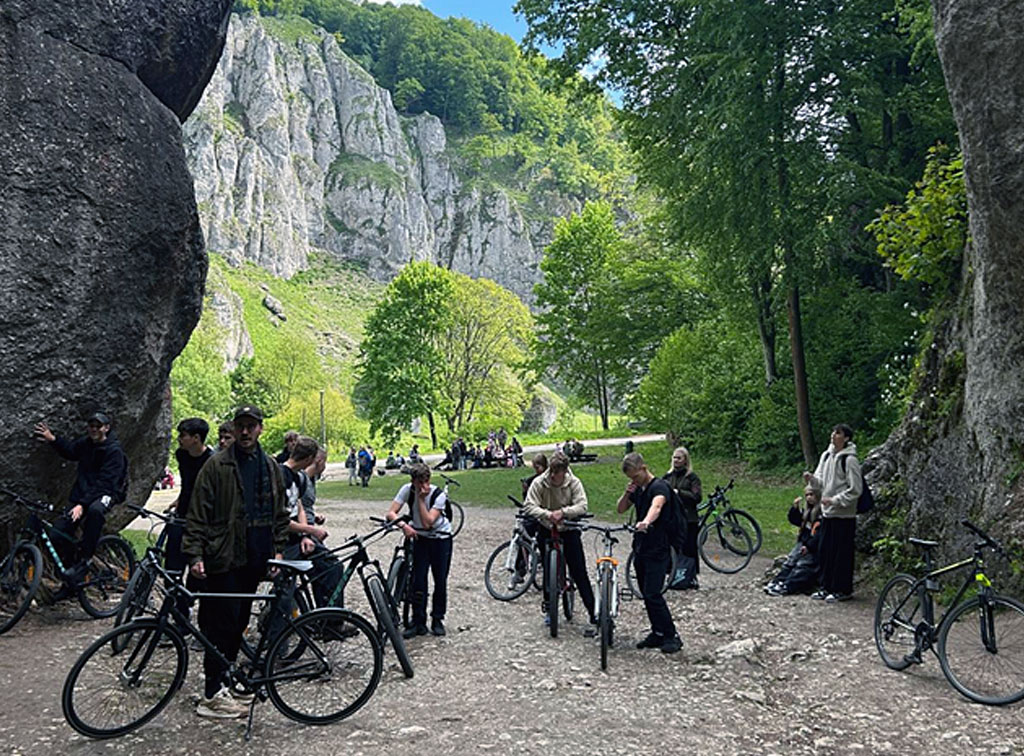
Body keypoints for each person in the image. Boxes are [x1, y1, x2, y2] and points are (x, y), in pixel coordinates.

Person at [183, 404, 290, 719]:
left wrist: (278, 550)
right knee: (219, 625)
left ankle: (226, 682)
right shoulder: (217, 466)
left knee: (239, 623)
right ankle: (213, 693)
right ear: (236, 427)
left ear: (260, 429)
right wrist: (194, 554)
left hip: (255, 558)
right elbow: (197, 513)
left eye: (251, 426)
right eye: (240, 425)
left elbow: (280, 513)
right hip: (224, 558)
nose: (245, 431)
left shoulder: (270, 466)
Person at [33, 411, 128, 591]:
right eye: (91, 426)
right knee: (57, 534)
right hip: (81, 495)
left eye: (98, 426)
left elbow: (105, 483)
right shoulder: (86, 445)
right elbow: (71, 451)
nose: (93, 429)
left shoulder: (114, 452)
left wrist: (82, 505)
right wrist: (53, 439)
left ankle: (86, 558)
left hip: (107, 493)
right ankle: (71, 579)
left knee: (95, 511)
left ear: (106, 428)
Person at [522, 451, 596, 632]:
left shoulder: (574, 483)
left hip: (568, 528)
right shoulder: (540, 482)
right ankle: (549, 607)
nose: (553, 476)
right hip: (547, 527)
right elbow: (529, 505)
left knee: (579, 571)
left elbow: (582, 505)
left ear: (565, 471)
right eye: (552, 471)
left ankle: (593, 612)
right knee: (548, 569)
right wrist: (547, 514)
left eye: (557, 472)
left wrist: (563, 512)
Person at [617, 452, 683, 653]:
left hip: (659, 547)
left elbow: (657, 505)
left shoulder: (659, 487)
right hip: (642, 547)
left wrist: (646, 521)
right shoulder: (638, 489)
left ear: (644, 468)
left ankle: (671, 635)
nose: (634, 480)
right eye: (630, 478)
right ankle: (658, 632)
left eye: (636, 476)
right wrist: (628, 492)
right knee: (646, 593)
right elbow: (620, 509)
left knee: (654, 592)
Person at [385, 463, 453, 638]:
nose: (424, 486)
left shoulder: (439, 495)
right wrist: (403, 526)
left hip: (440, 539)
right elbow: (391, 513)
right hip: (420, 539)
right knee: (418, 579)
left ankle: (437, 619)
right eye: (419, 482)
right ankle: (418, 621)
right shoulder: (407, 489)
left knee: (440, 580)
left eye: (426, 481)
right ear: (413, 481)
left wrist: (421, 499)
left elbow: (428, 522)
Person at [165, 418, 215, 628]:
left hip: (201, 522)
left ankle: (200, 615)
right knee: (171, 570)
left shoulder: (212, 461)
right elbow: (188, 485)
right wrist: (177, 503)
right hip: (181, 516)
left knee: (198, 572)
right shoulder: (181, 455)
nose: (179, 439)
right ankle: (180, 617)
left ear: (196, 438)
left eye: (183, 435)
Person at [805, 423, 861, 603]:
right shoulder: (826, 455)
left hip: (844, 515)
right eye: (833, 431)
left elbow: (855, 489)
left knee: (841, 554)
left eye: (838, 433)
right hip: (827, 513)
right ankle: (825, 586)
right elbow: (820, 481)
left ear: (846, 438)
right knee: (825, 551)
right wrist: (811, 480)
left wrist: (835, 500)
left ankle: (842, 589)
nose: (833, 435)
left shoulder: (850, 460)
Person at [765, 480, 823, 596]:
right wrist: (795, 509)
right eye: (807, 495)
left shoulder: (821, 515)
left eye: (812, 495)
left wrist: (809, 546)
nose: (809, 498)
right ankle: (779, 581)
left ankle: (788, 586)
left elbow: (819, 535)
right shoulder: (807, 512)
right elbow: (796, 520)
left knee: (803, 566)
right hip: (803, 542)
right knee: (790, 561)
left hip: (813, 547)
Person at [662, 446, 702, 590]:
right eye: (674, 457)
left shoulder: (692, 477)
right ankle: (672, 574)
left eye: (679, 458)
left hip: (689, 519)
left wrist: (679, 493)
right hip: (672, 519)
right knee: (672, 547)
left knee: (689, 548)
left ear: (685, 460)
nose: (676, 460)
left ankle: (691, 576)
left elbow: (697, 497)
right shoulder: (667, 477)